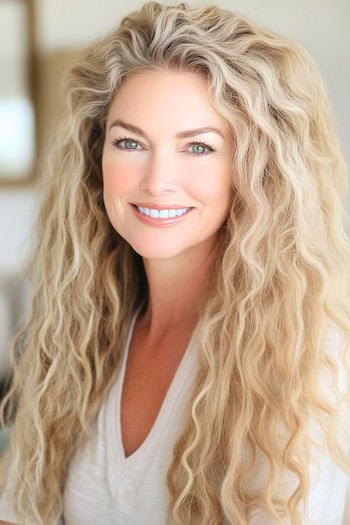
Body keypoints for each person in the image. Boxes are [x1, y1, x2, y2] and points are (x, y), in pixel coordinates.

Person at [0, 1, 350, 523]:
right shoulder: (81, 330)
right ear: (97, 158)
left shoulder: (304, 358)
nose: (157, 180)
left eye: (199, 148)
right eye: (130, 141)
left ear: (254, 168)